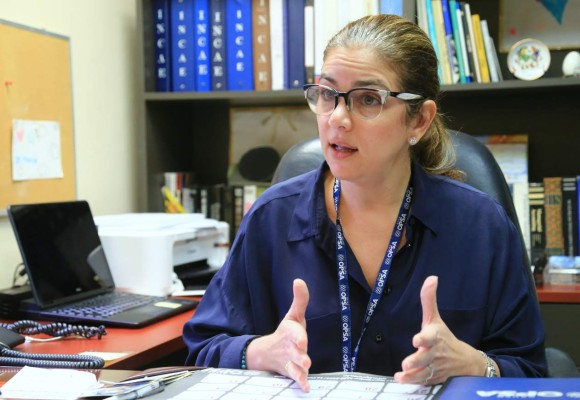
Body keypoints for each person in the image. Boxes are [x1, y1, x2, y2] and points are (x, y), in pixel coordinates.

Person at [183, 14, 547, 391]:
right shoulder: (271, 219)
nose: (338, 118)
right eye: (327, 94)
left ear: (418, 121)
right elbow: (203, 347)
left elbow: (533, 372)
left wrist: (473, 364)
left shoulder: (482, 226)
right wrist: (261, 351)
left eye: (368, 99)